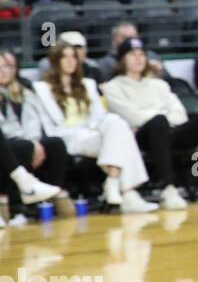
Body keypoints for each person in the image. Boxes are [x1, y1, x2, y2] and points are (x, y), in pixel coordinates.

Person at [103, 37, 198, 208]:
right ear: (122, 59)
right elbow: (132, 117)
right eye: (132, 54)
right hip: (141, 138)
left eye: (142, 54)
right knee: (158, 122)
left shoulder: (159, 84)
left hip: (172, 130)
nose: (138, 58)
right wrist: (161, 114)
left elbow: (180, 114)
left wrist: (159, 116)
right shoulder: (113, 87)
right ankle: (167, 188)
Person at [34, 41, 157, 213]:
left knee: (116, 122)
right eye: (65, 57)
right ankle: (126, 193)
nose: (70, 61)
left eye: (74, 57)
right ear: (55, 61)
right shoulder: (41, 89)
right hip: (67, 137)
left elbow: (99, 116)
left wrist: (94, 128)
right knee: (122, 137)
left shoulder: (88, 84)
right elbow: (48, 126)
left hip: (93, 133)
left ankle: (114, 182)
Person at [0, 48, 65, 220]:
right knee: (22, 147)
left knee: (55, 143)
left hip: (26, 138)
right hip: (10, 142)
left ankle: (51, 198)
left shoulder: (26, 89)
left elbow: (36, 120)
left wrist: (35, 142)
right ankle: (19, 204)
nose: (4, 71)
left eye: (7, 66)